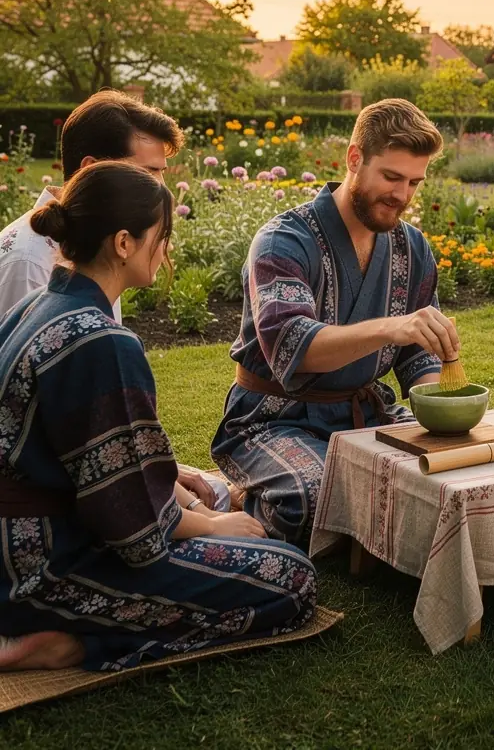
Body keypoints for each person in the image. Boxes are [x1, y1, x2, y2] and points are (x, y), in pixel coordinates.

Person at [0, 162, 316, 673]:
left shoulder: (36, 306)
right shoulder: (100, 340)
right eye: (162, 236)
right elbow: (134, 532)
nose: (166, 250)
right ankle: (71, 644)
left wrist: (205, 514)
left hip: (16, 550)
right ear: (124, 242)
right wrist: (214, 525)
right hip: (43, 570)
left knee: (225, 512)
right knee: (290, 578)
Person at [211, 99, 458, 547]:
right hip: (274, 417)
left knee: (442, 477)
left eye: (414, 183)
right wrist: (392, 327)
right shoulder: (283, 240)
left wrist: (432, 404)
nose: (403, 195)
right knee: (316, 498)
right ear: (354, 158)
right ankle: (231, 494)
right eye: (391, 177)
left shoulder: (413, 247)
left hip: (364, 415)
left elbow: (418, 350)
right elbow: (295, 345)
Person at [0, 89, 229, 513]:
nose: (160, 190)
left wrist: (166, 471)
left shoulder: (94, 252)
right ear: (92, 170)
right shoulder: (35, 261)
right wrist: (191, 513)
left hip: (82, 472)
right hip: (47, 509)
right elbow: (51, 441)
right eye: (147, 173)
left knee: (222, 493)